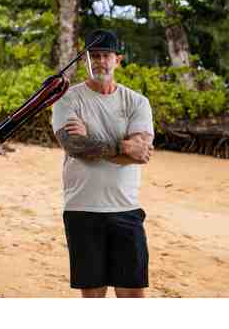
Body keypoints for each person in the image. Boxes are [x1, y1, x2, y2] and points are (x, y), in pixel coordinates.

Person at [51, 29, 154, 298]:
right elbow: (74, 146)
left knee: (132, 294)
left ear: (117, 60)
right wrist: (122, 146)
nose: (99, 62)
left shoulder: (137, 102)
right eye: (93, 56)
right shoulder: (67, 98)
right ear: (85, 60)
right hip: (82, 208)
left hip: (126, 208)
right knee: (93, 294)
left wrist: (91, 141)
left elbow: (140, 153)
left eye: (105, 56)